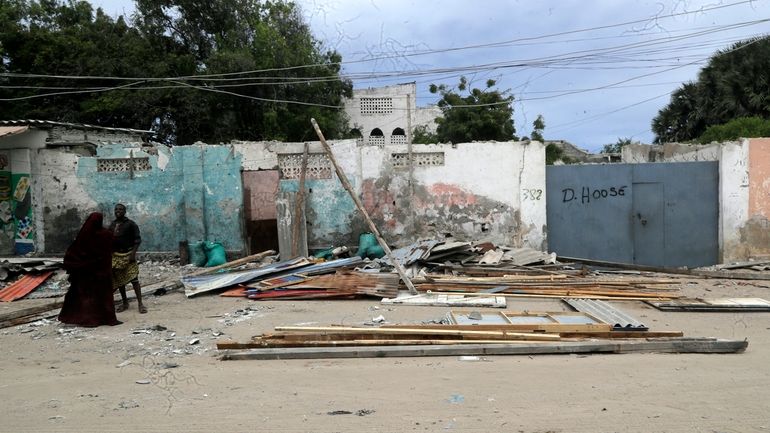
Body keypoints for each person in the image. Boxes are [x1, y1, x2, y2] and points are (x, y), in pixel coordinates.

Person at [58, 212, 121, 327]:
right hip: (102, 272)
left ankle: (89, 319)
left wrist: (77, 266)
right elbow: (115, 246)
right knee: (103, 295)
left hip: (86, 273)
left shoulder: (83, 235)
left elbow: (72, 253)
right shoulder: (106, 235)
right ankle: (107, 318)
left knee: (87, 297)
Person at [109, 203, 146, 314]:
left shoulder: (131, 224)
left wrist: (133, 254)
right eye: (116, 209)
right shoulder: (112, 224)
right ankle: (125, 302)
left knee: (134, 279)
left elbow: (137, 240)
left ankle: (141, 304)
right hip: (116, 256)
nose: (118, 211)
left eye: (120, 209)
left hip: (128, 255)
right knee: (120, 281)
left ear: (125, 211)